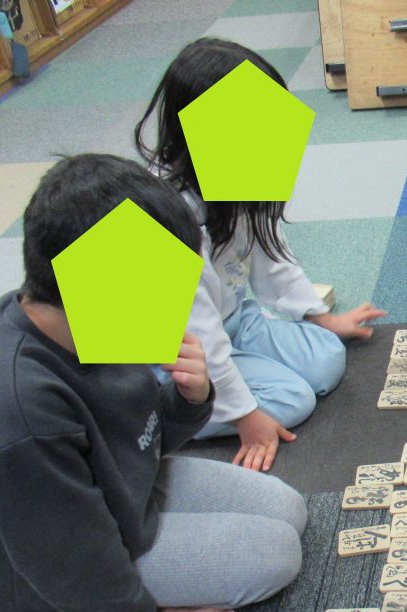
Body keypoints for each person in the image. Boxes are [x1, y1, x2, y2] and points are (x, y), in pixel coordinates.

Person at [0, 154, 306, 612]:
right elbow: (65, 554)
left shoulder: (92, 318)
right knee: (277, 556)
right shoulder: (18, 414)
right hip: (55, 559)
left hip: (123, 490)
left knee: (288, 508)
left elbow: (143, 435)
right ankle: (96, 610)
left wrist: (191, 399)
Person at [135, 37, 386, 472]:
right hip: (178, 358)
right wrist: (245, 416)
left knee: (327, 355)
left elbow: (272, 257)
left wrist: (320, 317)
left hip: (235, 322)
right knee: (294, 399)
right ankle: (164, 415)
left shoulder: (238, 178)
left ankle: (243, 379)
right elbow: (198, 331)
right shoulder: (164, 215)